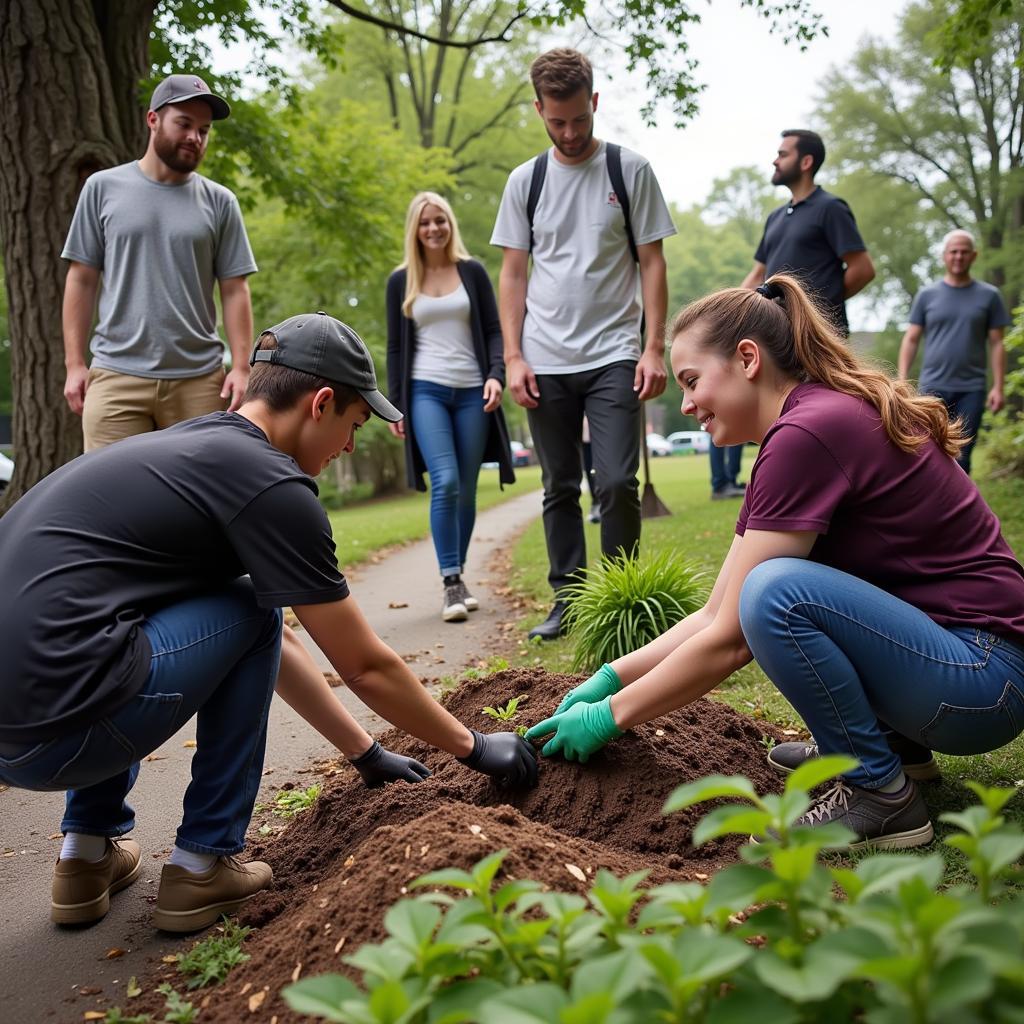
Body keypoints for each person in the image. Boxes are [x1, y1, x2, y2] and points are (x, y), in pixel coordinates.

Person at [0, 312, 537, 933]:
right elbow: (361, 664)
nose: (348, 449)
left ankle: (85, 857)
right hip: (65, 733)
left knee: (137, 613)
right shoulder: (269, 484)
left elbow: (262, 643)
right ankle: (203, 865)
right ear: (323, 402)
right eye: (354, 427)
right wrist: (474, 746)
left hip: (15, 740)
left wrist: (363, 753)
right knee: (251, 605)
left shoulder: (186, 450)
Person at [526, 275, 1024, 850]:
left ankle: (879, 795)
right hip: (962, 669)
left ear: (747, 359)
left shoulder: (808, 433)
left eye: (691, 382)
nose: (686, 404)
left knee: (776, 593)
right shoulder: (808, 423)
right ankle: (893, 752)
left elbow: (734, 635)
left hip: (983, 683)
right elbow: (716, 611)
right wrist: (608, 679)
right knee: (766, 589)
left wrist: (609, 717)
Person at [491, 48, 676, 640]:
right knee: (559, 485)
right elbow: (513, 274)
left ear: (594, 103)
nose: (569, 133)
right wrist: (513, 356)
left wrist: (654, 348)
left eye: (579, 119)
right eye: (557, 121)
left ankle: (621, 600)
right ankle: (568, 601)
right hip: (545, 359)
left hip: (615, 353)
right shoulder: (526, 181)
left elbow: (652, 262)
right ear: (540, 110)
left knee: (618, 480)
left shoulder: (631, 170)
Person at [62, 73, 258, 451]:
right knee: (110, 500)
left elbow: (235, 289)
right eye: (184, 124)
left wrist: (240, 366)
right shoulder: (102, 188)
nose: (194, 137)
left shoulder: (220, 202)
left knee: (200, 501)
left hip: (200, 382)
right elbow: (81, 279)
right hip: (116, 377)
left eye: (203, 130)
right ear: (153, 120)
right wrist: (74, 365)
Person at [386, 192, 515, 622]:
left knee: (467, 486)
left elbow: (495, 330)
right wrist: (396, 405)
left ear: (449, 224)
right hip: (426, 391)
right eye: (425, 223)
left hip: (472, 392)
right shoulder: (401, 280)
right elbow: (395, 348)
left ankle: (457, 576)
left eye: (440, 220)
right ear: (415, 230)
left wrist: (496, 373)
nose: (434, 228)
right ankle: (450, 581)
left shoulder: (472, 272)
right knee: (444, 481)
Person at [898, 229, 1011, 476]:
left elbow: (997, 343)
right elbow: (911, 339)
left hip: (971, 388)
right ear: (944, 256)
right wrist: (902, 380)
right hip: (932, 388)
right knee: (927, 449)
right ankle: (931, 505)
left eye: (964, 252)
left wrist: (998, 387)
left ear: (974, 255)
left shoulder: (989, 296)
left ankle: (959, 512)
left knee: (962, 454)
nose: (958, 257)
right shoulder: (927, 296)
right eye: (953, 252)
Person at [742, 130, 875, 334]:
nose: (775, 161)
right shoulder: (775, 217)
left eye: (783, 155)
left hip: (819, 337)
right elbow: (758, 275)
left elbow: (863, 269)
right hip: (778, 335)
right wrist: (730, 310)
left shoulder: (831, 208)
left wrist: (817, 308)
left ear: (806, 162)